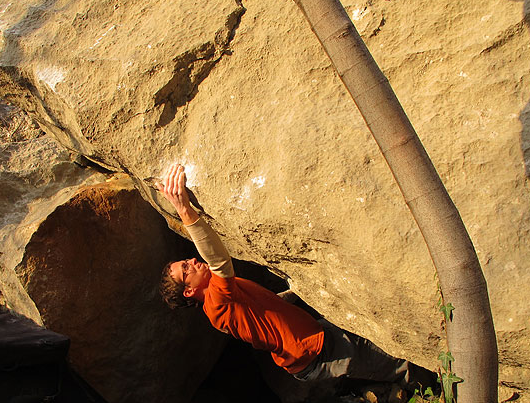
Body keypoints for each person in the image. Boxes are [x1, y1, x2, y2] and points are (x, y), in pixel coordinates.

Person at [158, 163, 411, 384]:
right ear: (189, 290)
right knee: (397, 363)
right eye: (185, 269)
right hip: (316, 352)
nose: (192, 260)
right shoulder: (217, 305)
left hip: (314, 337)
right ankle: (440, 394)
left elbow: (265, 308)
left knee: (383, 347)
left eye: (186, 261)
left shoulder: (221, 299)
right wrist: (184, 210)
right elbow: (219, 261)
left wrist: (301, 289)